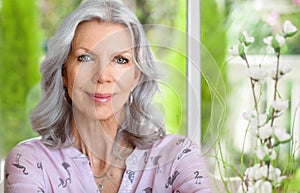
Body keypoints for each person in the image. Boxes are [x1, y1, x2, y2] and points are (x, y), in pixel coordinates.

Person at [4, 0, 211, 192]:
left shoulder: (178, 156)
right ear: (64, 73)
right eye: (85, 57)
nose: (102, 76)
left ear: (136, 77)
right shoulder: (30, 161)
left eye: (120, 60)